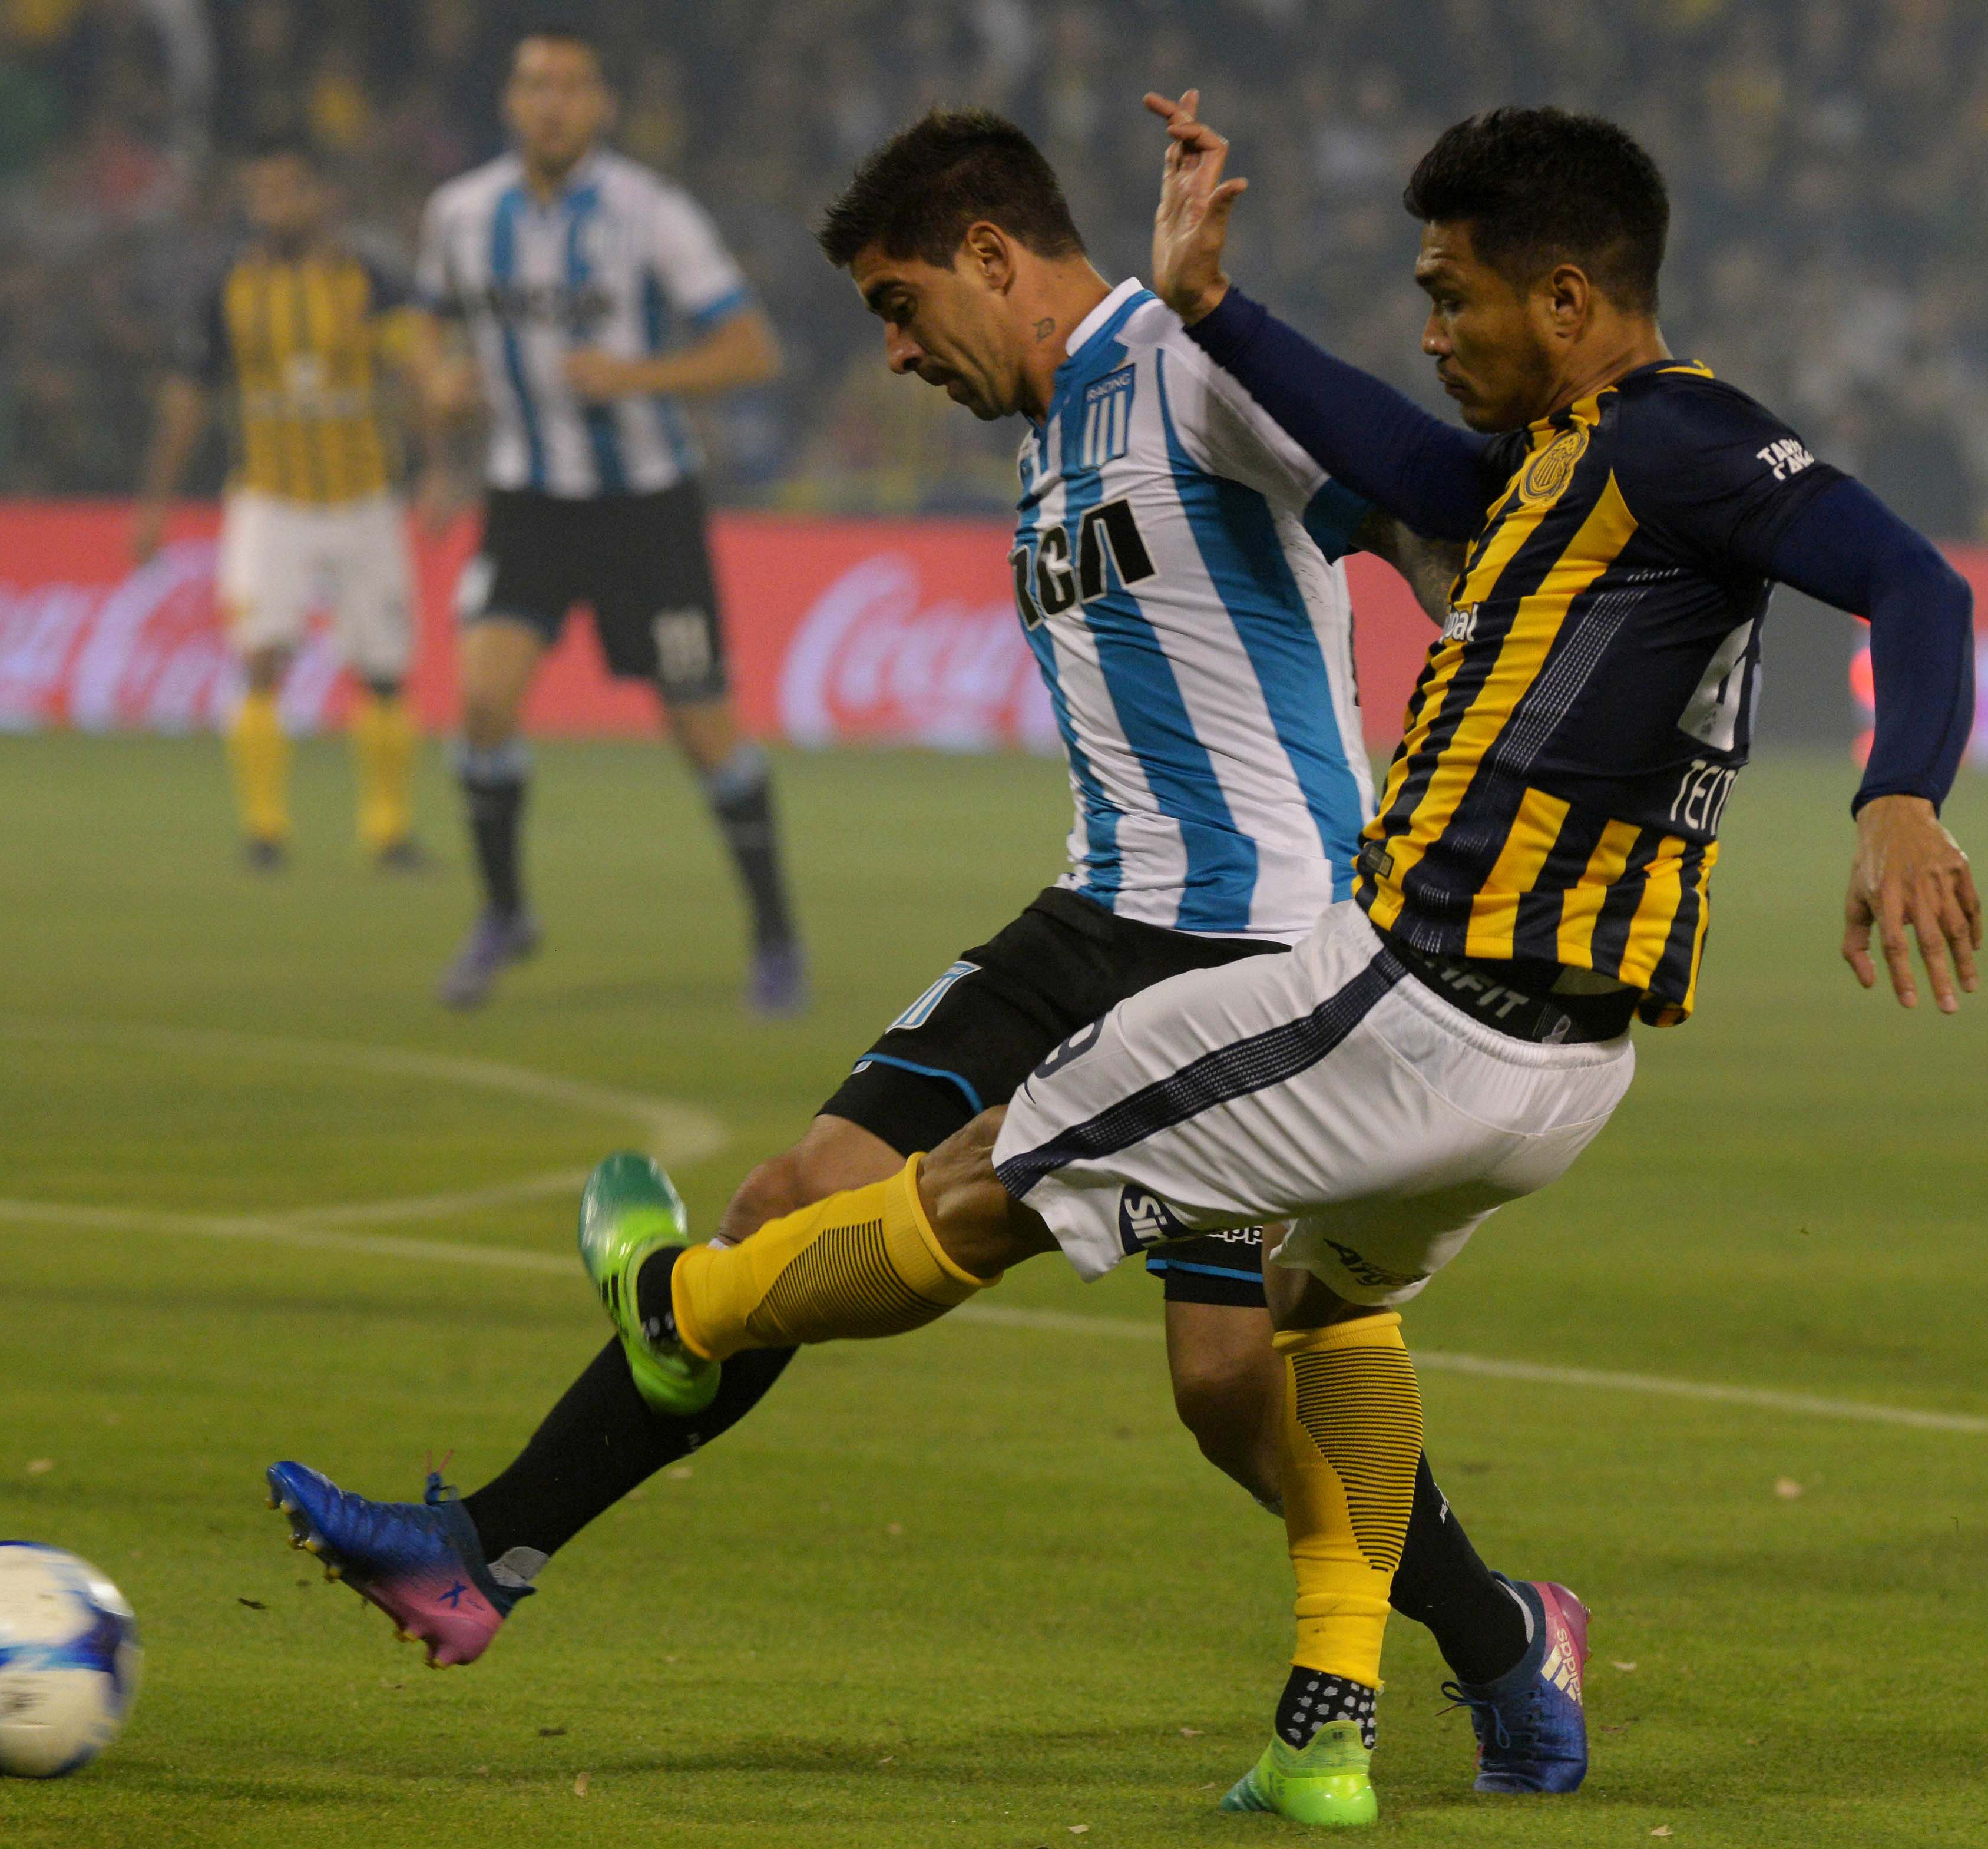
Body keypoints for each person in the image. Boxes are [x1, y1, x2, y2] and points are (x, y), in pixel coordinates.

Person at [555, 98, 1983, 1826]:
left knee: (998, 1173)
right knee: (1306, 1329)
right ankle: (1360, 1715)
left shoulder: (1677, 441)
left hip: (1404, 999)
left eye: (1449, 296)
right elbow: (1395, 457)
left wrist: (1898, 791)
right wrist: (1210, 306)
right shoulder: (1549, 468)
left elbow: (1913, 580)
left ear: (1561, 298)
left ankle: (679, 1302)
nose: (1429, 331)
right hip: (1559, 1071)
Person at [262, 108, 1534, 1731]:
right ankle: (481, 1552)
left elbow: (1436, 531)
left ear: (992, 257)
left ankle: (1502, 1637)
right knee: (792, 1198)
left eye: (897, 303)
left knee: (1230, 1389)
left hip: (1259, 947)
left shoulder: (1194, 371)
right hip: (1091, 914)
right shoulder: (1049, 430)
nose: (893, 353)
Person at [415, 22, 802, 1011]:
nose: (551, 102)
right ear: (511, 101)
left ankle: (774, 936)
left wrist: (637, 376)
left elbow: (752, 348)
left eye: (571, 85)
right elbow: (428, 322)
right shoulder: (461, 214)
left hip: (646, 509)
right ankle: (505, 913)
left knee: (702, 726)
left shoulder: (651, 214)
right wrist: (438, 389)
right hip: (527, 502)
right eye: (535, 83)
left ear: (602, 106)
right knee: (483, 700)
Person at [134, 134, 434, 871]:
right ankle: (264, 829)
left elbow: (416, 375)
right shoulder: (227, 288)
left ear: (325, 196)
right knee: (261, 656)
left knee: (384, 670)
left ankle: (387, 830)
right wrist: (154, 504)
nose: (270, 207)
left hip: (366, 497)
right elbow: (188, 398)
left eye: (286, 191)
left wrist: (441, 469)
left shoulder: (373, 280)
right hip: (270, 498)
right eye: (259, 193)